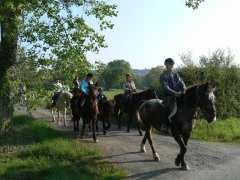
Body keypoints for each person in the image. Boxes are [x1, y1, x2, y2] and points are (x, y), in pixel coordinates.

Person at [160, 58, 186, 129]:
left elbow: (181, 81)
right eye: (169, 64)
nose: (171, 66)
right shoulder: (163, 75)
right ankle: (164, 124)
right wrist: (175, 93)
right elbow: (166, 87)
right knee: (169, 107)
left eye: (172, 64)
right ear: (166, 65)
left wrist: (184, 88)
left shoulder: (175, 74)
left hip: (177, 95)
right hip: (168, 96)